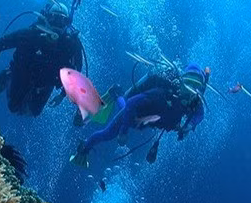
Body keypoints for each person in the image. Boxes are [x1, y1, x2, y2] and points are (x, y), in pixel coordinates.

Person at [70, 63, 210, 167]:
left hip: (152, 120)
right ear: (180, 82)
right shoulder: (162, 94)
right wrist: (123, 132)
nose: (190, 90)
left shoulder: (195, 103)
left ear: (201, 89)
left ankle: (118, 95)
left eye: (195, 86)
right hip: (135, 113)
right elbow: (132, 103)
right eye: (188, 84)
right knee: (109, 133)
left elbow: (199, 115)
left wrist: (188, 127)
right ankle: (85, 147)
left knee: (121, 119)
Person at [0, 1, 85, 116]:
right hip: (21, 73)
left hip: (45, 83)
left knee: (33, 113)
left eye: (61, 21)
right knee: (13, 107)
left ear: (66, 23)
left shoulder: (71, 44)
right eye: (54, 18)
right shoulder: (30, 35)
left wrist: (63, 94)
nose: (56, 25)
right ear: (46, 18)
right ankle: (7, 75)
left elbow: (77, 72)